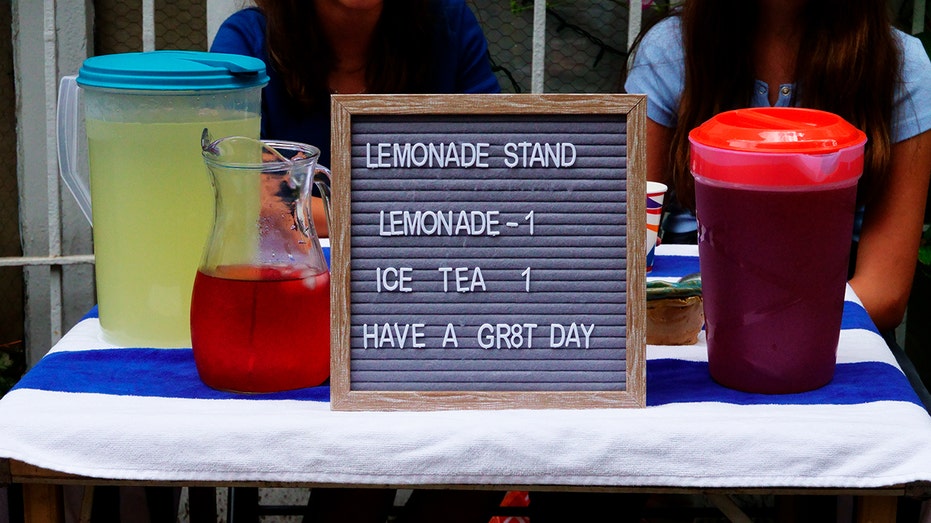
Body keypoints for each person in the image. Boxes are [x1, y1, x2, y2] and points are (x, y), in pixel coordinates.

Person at [210, 2, 505, 522]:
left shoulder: (449, 24)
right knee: (365, 448)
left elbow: (485, 170)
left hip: (434, 302)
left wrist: (320, 203)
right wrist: (404, 204)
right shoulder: (249, 40)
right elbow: (248, 191)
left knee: (499, 440)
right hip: (292, 306)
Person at [624, 0, 931, 336]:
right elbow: (631, 241)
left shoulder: (901, 65)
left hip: (839, 324)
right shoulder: (670, 48)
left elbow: (884, 293)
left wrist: (757, 331)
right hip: (689, 311)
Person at [211, 0, 502, 238]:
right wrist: (412, 216)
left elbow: (493, 178)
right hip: (292, 282)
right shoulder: (246, 43)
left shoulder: (452, 28)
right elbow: (245, 198)